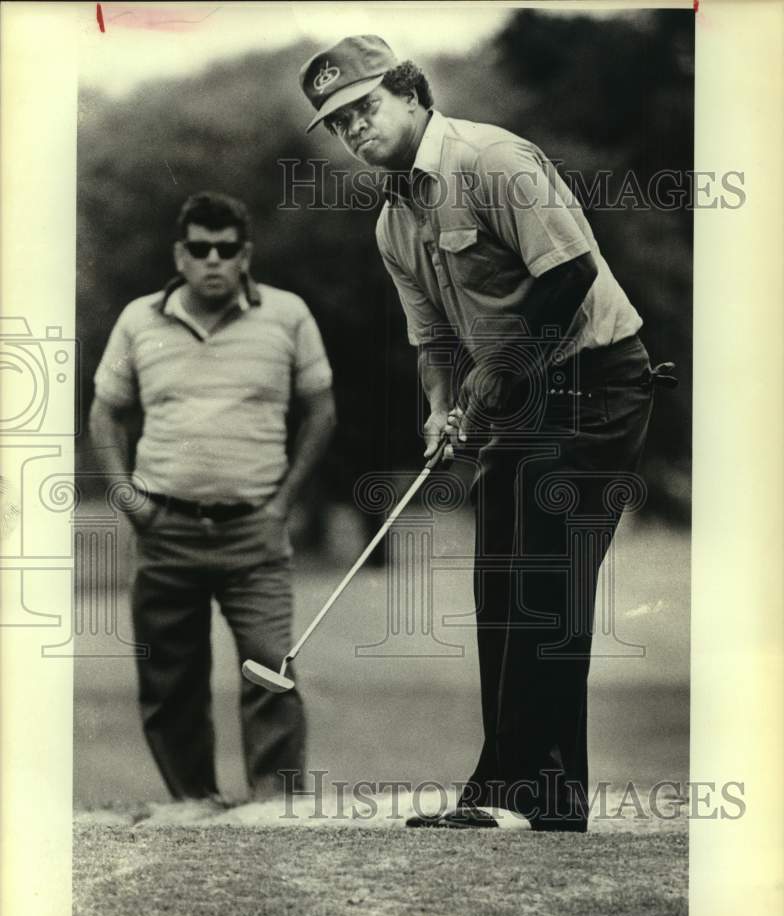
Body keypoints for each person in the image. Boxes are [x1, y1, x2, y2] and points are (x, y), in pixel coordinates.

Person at [300, 37, 675, 831]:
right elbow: (434, 338)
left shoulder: (491, 160)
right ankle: (524, 791)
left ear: (410, 94)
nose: (354, 129)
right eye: (337, 123)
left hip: (596, 383)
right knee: (501, 588)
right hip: (523, 399)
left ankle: (523, 794)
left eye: (364, 108)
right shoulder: (393, 221)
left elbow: (571, 272)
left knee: (544, 587)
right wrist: (441, 407)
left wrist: (499, 369)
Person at [90, 191, 335, 811]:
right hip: (164, 528)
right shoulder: (139, 320)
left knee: (270, 665)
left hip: (254, 530)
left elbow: (321, 412)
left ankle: (275, 807)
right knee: (170, 680)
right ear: (181, 254)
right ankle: (193, 803)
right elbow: (105, 415)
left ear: (245, 254)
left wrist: (283, 503)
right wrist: (126, 495)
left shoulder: (287, 315)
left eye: (227, 249)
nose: (214, 261)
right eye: (200, 249)